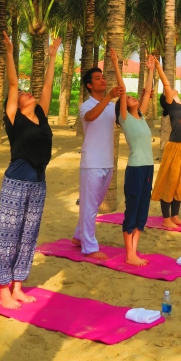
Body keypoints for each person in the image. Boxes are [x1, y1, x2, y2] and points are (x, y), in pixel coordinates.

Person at [0, 30, 61, 309]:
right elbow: (12, 83)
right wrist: (10, 53)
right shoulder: (14, 120)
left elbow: (47, 85)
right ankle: (4, 291)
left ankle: (18, 286)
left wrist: (53, 57)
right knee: (8, 236)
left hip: (38, 185)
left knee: (28, 235)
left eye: (26, 92)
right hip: (16, 184)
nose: (26, 93)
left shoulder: (41, 115)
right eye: (22, 94)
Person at [72, 63, 123, 258]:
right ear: (89, 85)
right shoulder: (86, 105)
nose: (102, 80)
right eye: (97, 78)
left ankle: (79, 236)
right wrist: (109, 96)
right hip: (92, 162)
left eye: (102, 77)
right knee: (89, 205)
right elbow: (91, 117)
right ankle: (89, 247)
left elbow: (125, 115)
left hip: (107, 161)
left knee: (94, 204)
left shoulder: (111, 106)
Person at [109, 48, 155, 265]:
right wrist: (116, 63)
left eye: (132, 97)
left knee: (143, 211)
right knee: (133, 208)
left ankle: (133, 252)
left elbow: (146, 92)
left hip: (148, 167)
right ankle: (129, 254)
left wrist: (151, 69)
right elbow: (123, 90)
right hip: (136, 168)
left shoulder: (141, 116)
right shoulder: (125, 118)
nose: (132, 98)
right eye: (128, 98)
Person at [151, 54, 181, 229]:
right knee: (169, 181)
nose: (171, 88)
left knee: (180, 181)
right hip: (175, 147)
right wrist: (158, 66)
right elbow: (166, 84)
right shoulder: (171, 105)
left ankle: (175, 216)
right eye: (168, 91)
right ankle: (166, 219)